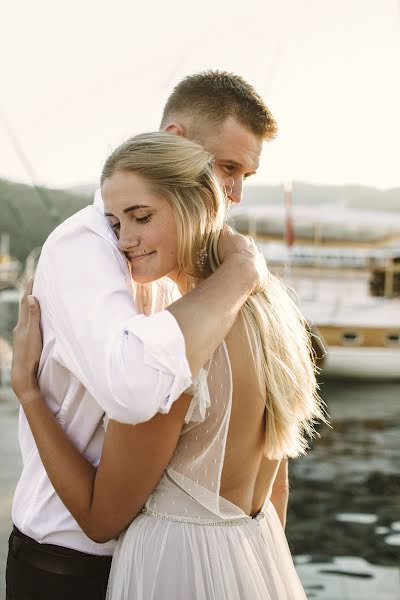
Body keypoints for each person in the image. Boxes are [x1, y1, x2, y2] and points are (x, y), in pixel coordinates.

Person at [12, 132, 325, 599]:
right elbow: (276, 488)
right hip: (257, 553)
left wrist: (29, 393)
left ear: (200, 201)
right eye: (115, 224)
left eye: (142, 217)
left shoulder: (175, 349)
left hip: (177, 570)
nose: (124, 240)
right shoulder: (274, 318)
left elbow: (100, 521)